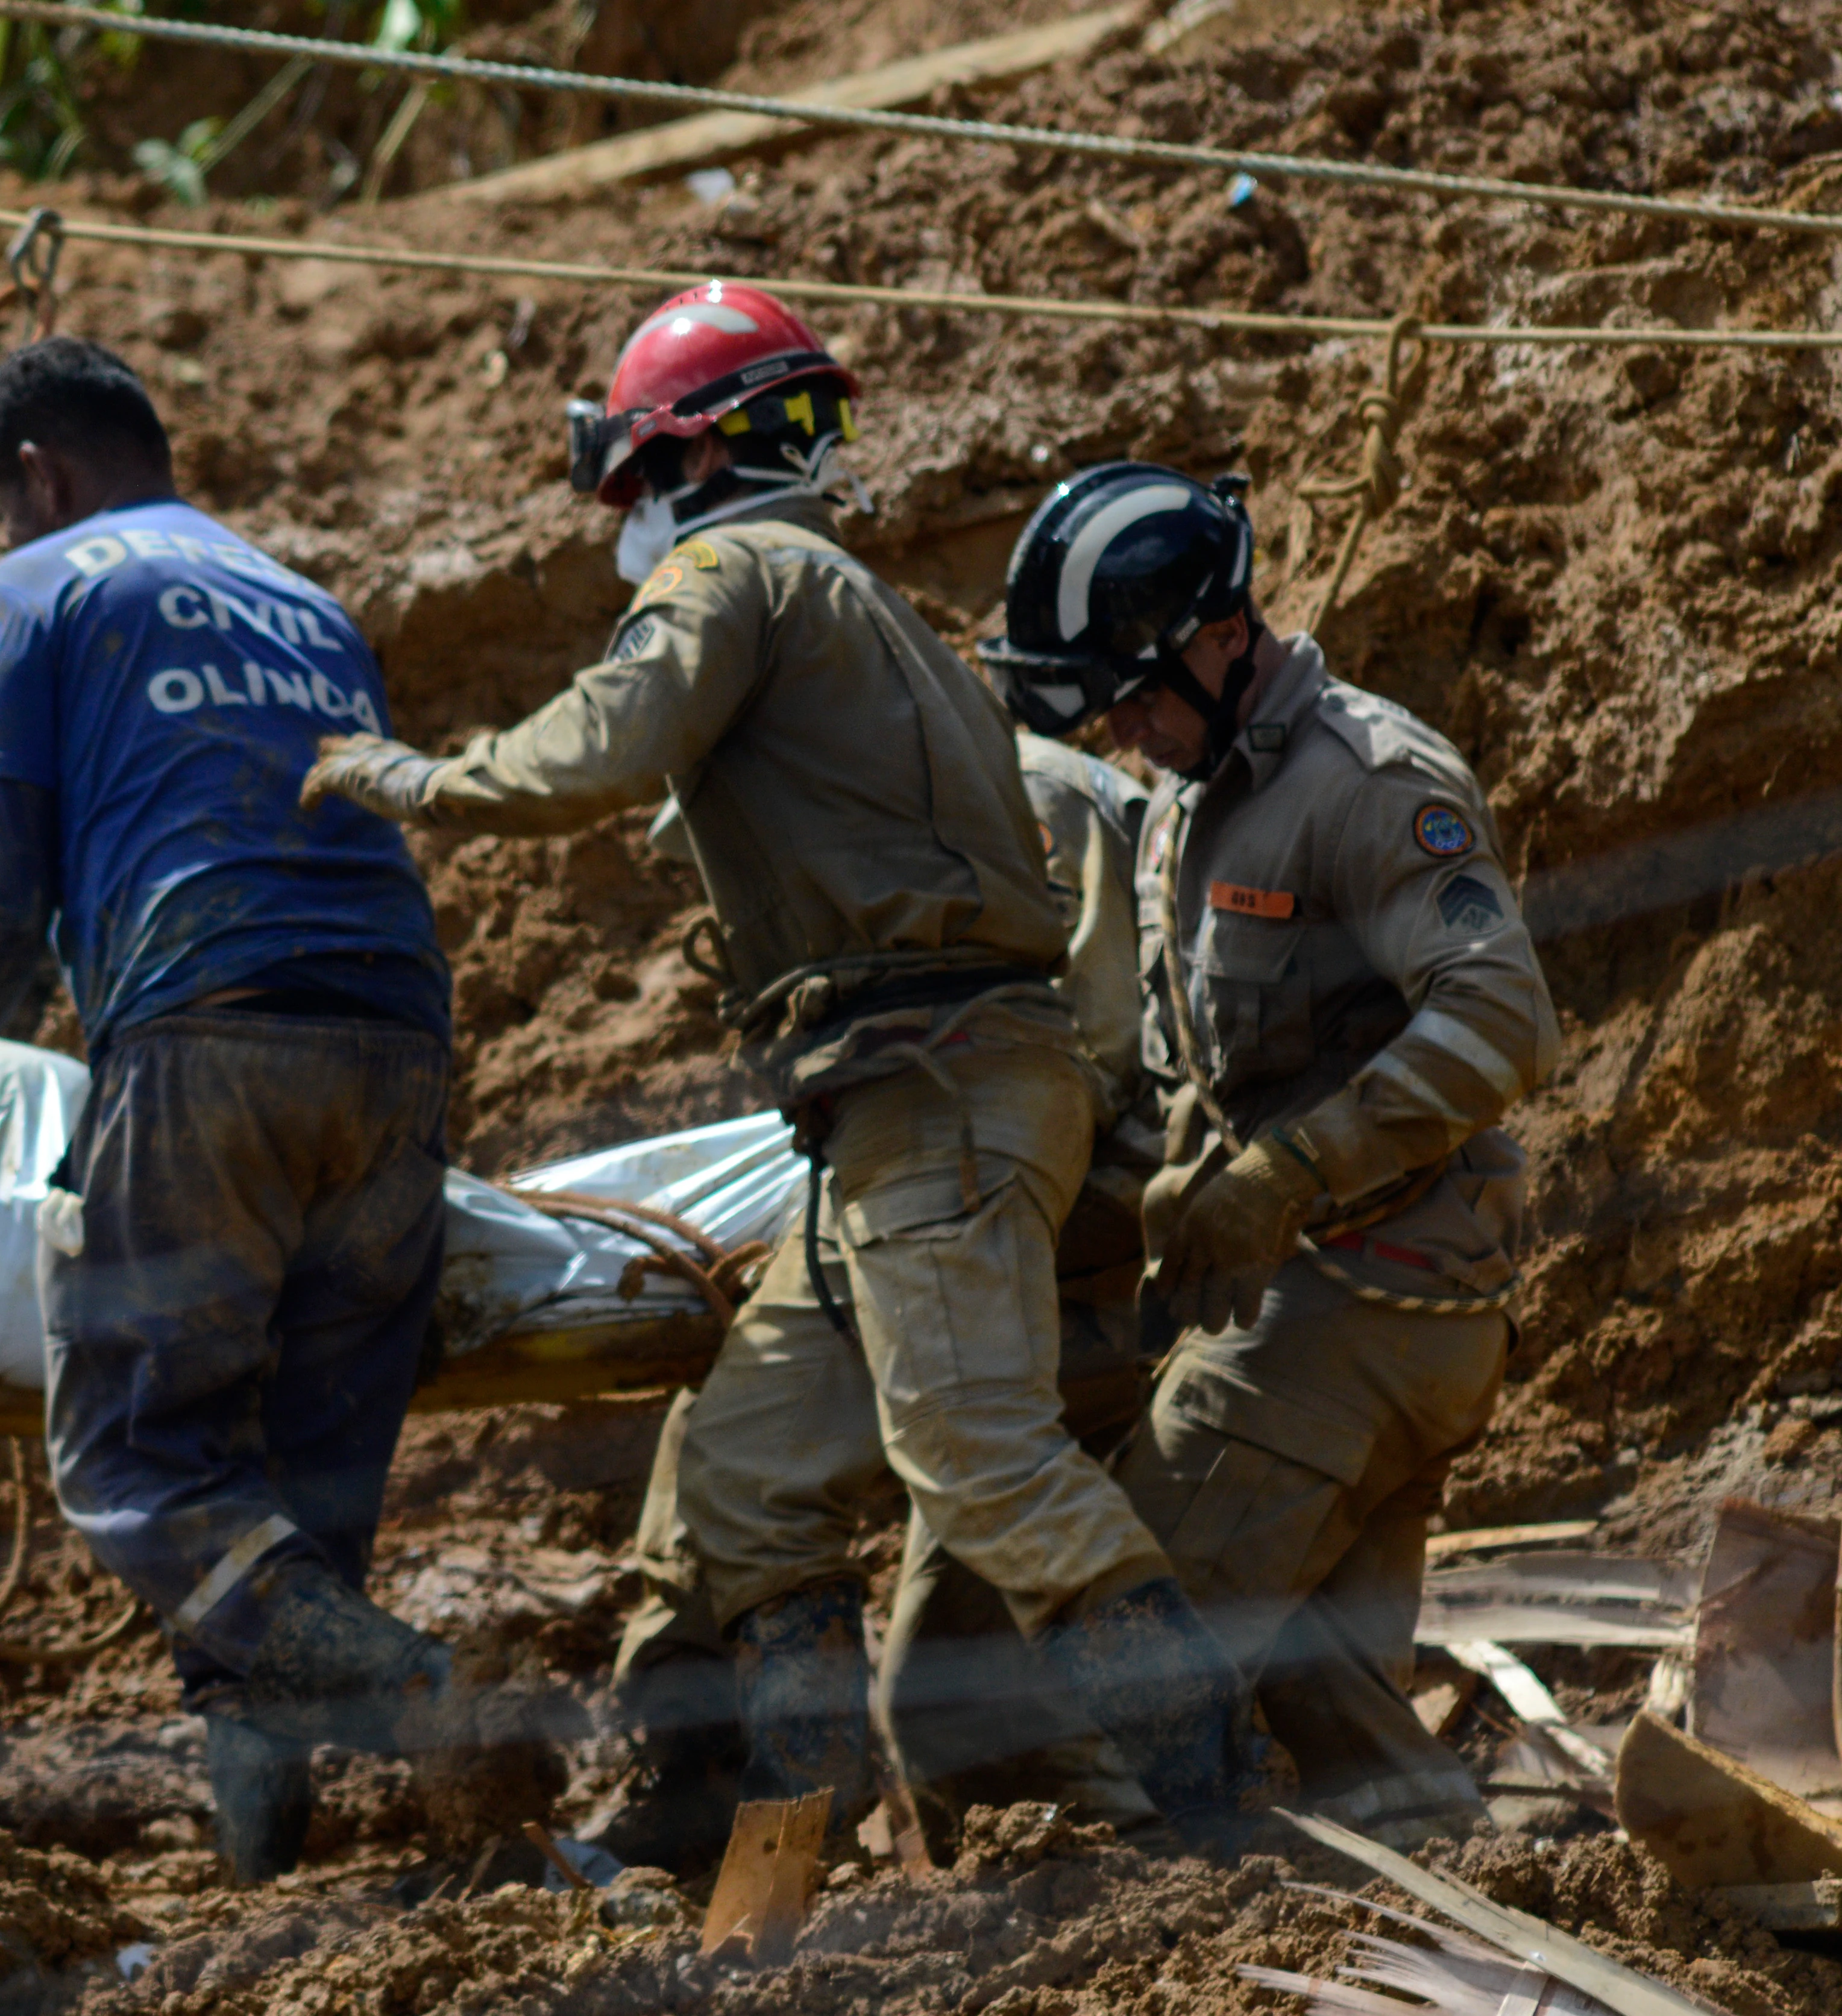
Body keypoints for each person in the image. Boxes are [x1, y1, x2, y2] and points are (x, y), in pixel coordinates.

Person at [305, 283, 1262, 1850]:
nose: (628, 516)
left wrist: (407, 778)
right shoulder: (863, 608)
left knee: (978, 1456)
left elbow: (596, 753)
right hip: (910, 1107)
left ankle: (1213, 1780)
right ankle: (723, 1835)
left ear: (683, 457)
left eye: (633, 479)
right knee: (737, 1481)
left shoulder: (733, 570)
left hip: (937, 1091)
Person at [0, 336, 458, 1883]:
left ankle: (403, 1684)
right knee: (299, 1495)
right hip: (398, 1045)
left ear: (39, 474)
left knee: (140, 1460)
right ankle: (258, 1879)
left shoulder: (36, 587)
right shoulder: (309, 602)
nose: (0, 537)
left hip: (204, 1033)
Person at [976, 462, 1558, 1844]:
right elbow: (1214, 1057)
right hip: (1328, 1299)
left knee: (1104, 1707)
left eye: (1134, 692)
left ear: (1221, 631)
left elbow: (1503, 1018)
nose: (1120, 729)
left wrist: (1288, 1173)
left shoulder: (1366, 781)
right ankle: (1463, 1935)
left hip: (1355, 1293)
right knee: (1337, 1715)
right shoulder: (1189, 794)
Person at [599, 724, 1171, 1864]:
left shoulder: (1015, 792)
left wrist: (939, 1217)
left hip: (1064, 1233)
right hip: (926, 1191)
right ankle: (778, 1811)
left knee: (979, 1483)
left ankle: (1201, 1803)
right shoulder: (855, 837)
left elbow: (1098, 1055)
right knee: (737, 1463)